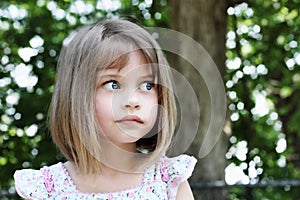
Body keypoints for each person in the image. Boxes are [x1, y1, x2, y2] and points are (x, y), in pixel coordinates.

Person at [14, 19, 197, 199]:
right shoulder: (46, 189)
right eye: (113, 84)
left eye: (147, 85)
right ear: (76, 94)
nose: (133, 101)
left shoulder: (169, 181)